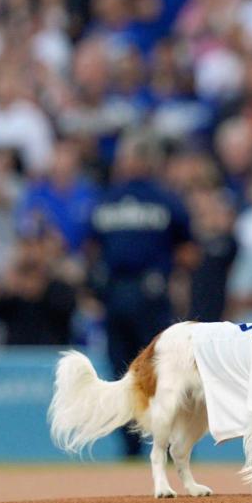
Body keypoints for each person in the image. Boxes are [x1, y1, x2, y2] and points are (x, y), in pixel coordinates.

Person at [87, 133, 197, 457]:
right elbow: (189, 252)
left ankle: (130, 448)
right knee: (160, 370)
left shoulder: (106, 200)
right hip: (152, 295)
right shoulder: (166, 201)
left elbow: (90, 249)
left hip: (114, 295)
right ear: (152, 163)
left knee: (121, 370)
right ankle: (165, 444)